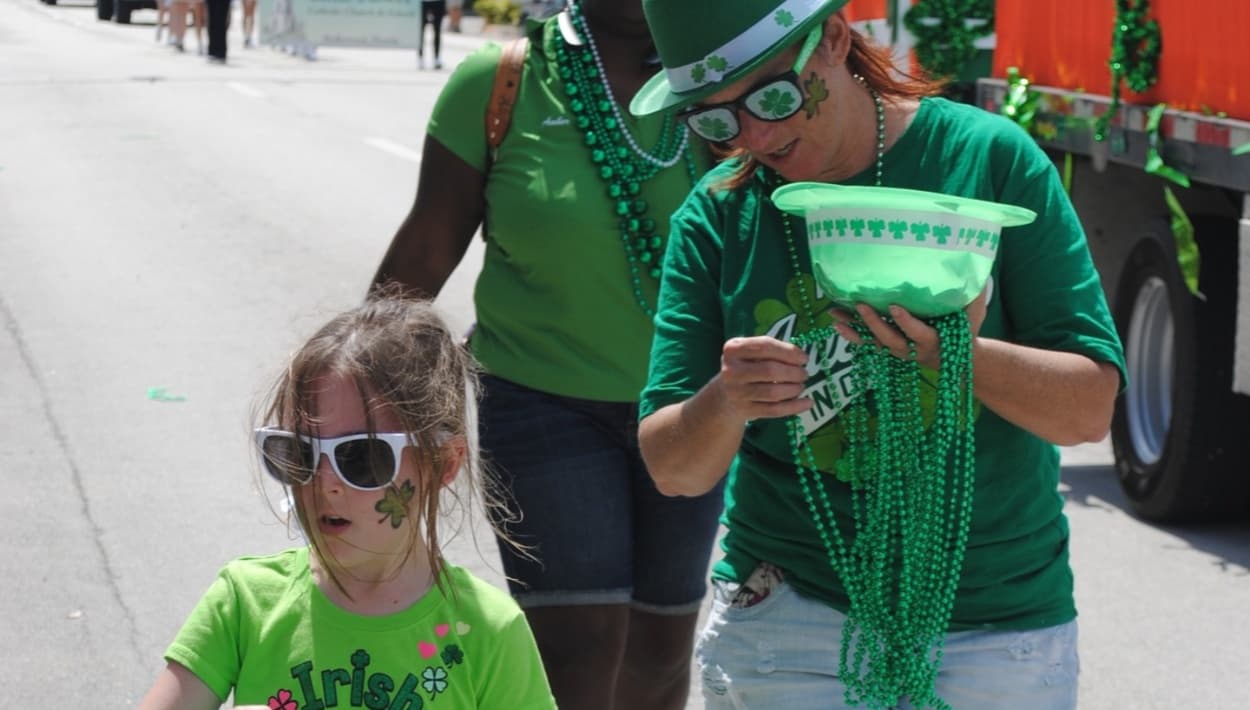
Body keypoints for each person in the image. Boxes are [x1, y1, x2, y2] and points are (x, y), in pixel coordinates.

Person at [630, 1, 1127, 709]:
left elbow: (1087, 410)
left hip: (995, 627)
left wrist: (956, 352)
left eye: (772, 97)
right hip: (788, 625)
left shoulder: (987, 160)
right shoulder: (717, 215)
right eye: (716, 121)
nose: (755, 135)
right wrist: (727, 399)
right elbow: (672, 467)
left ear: (833, 40)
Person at [369, 1, 723, 707]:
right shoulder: (500, 83)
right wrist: (363, 392)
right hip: (541, 405)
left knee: (661, 650)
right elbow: (427, 249)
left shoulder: (722, 79)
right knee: (579, 648)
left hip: (692, 410)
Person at [137, 296, 557, 710]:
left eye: (362, 457)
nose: (324, 483)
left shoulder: (486, 631)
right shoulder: (246, 603)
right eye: (300, 453)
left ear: (443, 463)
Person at [419, 0, 447, 70]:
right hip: (422, 2)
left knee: (437, 30)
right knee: (420, 31)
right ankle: (420, 58)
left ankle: (436, 58)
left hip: (438, 2)